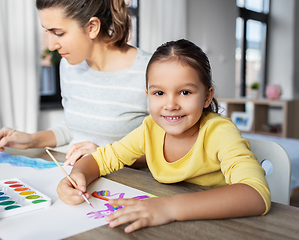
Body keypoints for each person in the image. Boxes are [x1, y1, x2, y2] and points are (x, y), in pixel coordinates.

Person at [57, 39, 271, 233]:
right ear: (147, 95)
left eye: (185, 92)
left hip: (222, 226)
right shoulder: (149, 129)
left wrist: (168, 207)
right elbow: (100, 159)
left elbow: (256, 194)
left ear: (207, 97)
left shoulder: (219, 132)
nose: (170, 105)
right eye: (159, 93)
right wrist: (78, 176)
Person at [0, 0, 151, 166]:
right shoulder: (69, 66)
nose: (51, 46)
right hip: (77, 174)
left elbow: (169, 151)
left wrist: (105, 154)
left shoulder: (149, 71)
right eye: (47, 32)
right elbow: (74, 128)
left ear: (92, 27)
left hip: (128, 185)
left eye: (58, 33)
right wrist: (30, 140)